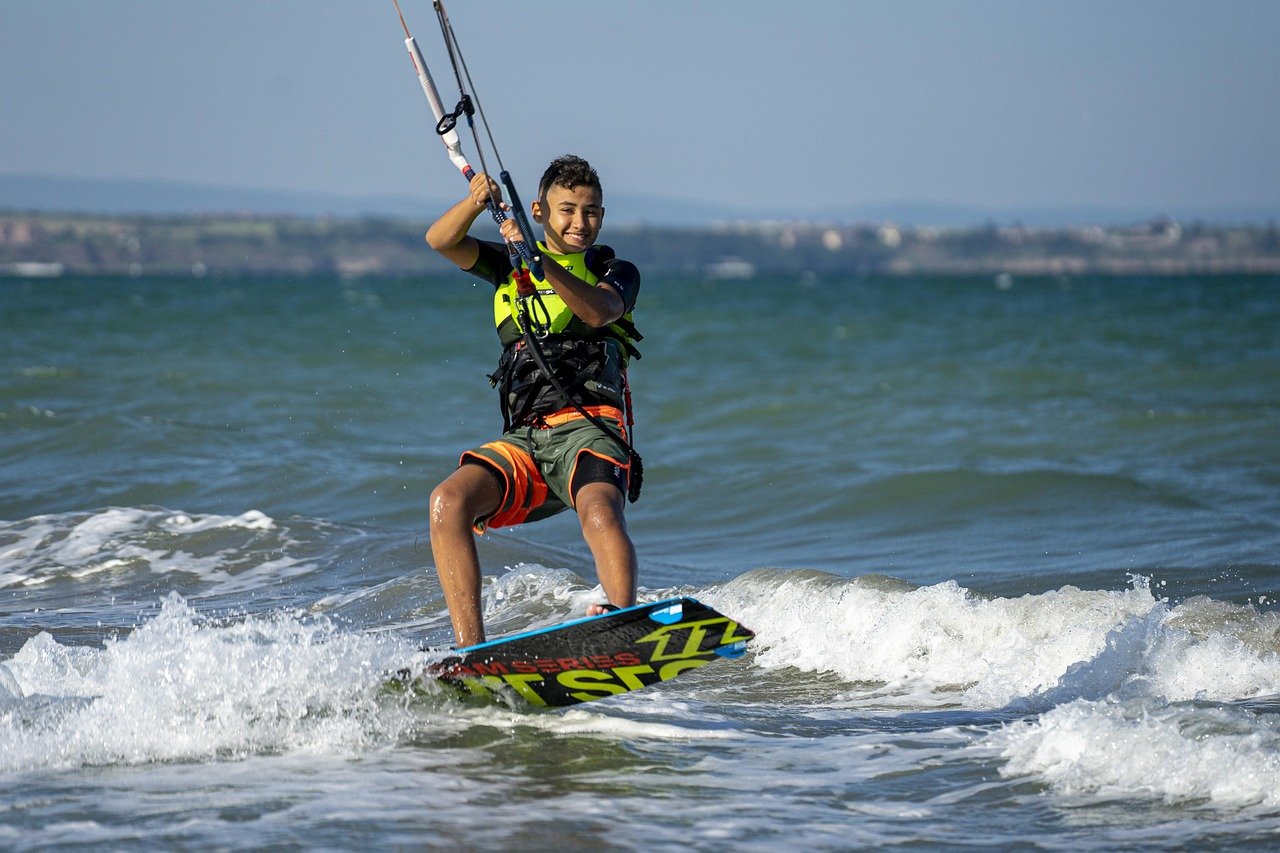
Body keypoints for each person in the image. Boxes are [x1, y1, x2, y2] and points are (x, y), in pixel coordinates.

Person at [424, 155, 642, 647]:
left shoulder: (613, 269)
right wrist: (475, 203)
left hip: (592, 427)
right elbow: (441, 240)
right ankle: (471, 652)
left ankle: (623, 624)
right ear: (539, 211)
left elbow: (600, 311)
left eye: (590, 212)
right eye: (567, 210)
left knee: (601, 511)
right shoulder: (505, 265)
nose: (579, 223)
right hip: (526, 437)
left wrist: (541, 263)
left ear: (602, 217)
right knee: (448, 501)